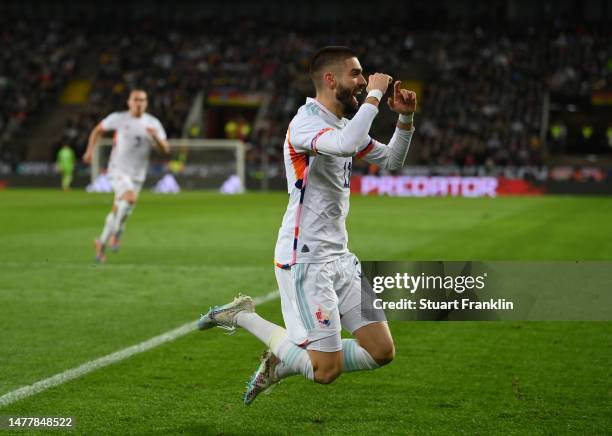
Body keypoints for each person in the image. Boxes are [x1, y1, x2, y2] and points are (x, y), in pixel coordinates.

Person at [198, 46, 417, 404]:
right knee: (325, 371)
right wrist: (376, 95)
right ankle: (244, 317)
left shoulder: (346, 124)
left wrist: (405, 119)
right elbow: (345, 145)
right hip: (306, 261)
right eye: (357, 74)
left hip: (341, 258)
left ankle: (281, 362)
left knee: (381, 351)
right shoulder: (305, 123)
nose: (363, 81)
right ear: (330, 80)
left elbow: (392, 159)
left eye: (364, 76)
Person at [83, 89, 170, 262]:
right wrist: (90, 151)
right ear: (129, 102)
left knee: (121, 210)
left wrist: (156, 138)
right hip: (117, 170)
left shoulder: (153, 123)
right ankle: (117, 234)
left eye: (143, 100)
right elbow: (97, 130)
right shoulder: (119, 118)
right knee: (129, 198)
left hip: (138, 175)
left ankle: (101, 244)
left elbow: (165, 149)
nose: (139, 103)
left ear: (147, 103)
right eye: (136, 100)